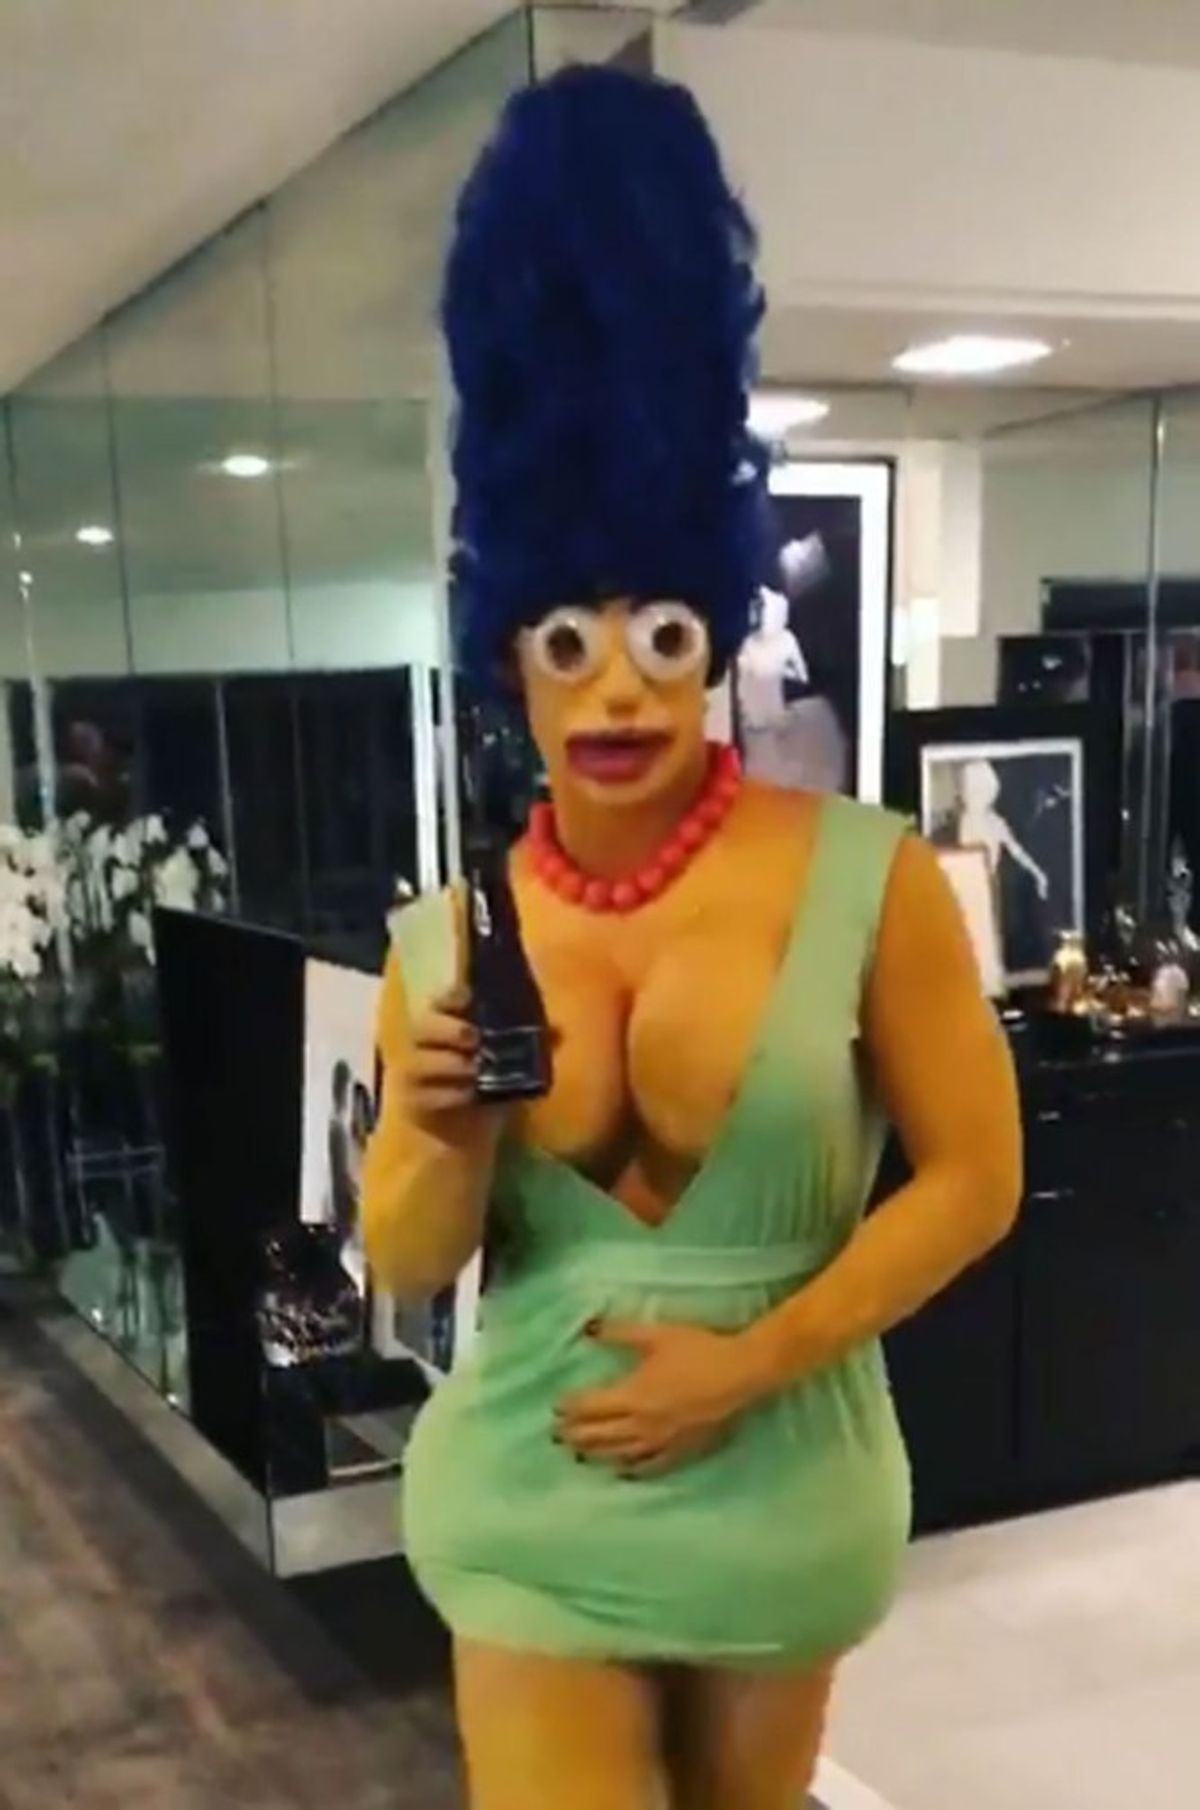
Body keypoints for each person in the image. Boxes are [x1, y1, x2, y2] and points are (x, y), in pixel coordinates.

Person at [363, 65, 1021, 1810]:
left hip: (784, 1474)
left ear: (717, 629)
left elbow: (977, 1177)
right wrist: (436, 1120)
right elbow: (413, 1259)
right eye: (564, 644)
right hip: (527, 1500)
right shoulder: (449, 939)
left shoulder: (866, 879)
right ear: (508, 660)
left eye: (659, 634)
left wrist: (751, 1360)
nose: (617, 693)